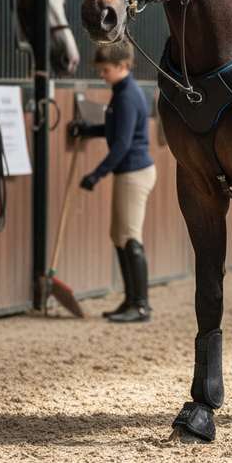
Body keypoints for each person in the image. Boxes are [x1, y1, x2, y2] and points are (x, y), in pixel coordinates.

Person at [68, 42, 157, 322]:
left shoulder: (128, 96)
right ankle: (129, 300)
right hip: (127, 172)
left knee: (130, 237)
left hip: (133, 173)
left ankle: (141, 305)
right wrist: (89, 130)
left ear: (123, 67)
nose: (102, 75)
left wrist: (96, 174)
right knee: (118, 236)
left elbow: (121, 144)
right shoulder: (121, 93)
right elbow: (115, 128)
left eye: (105, 70)